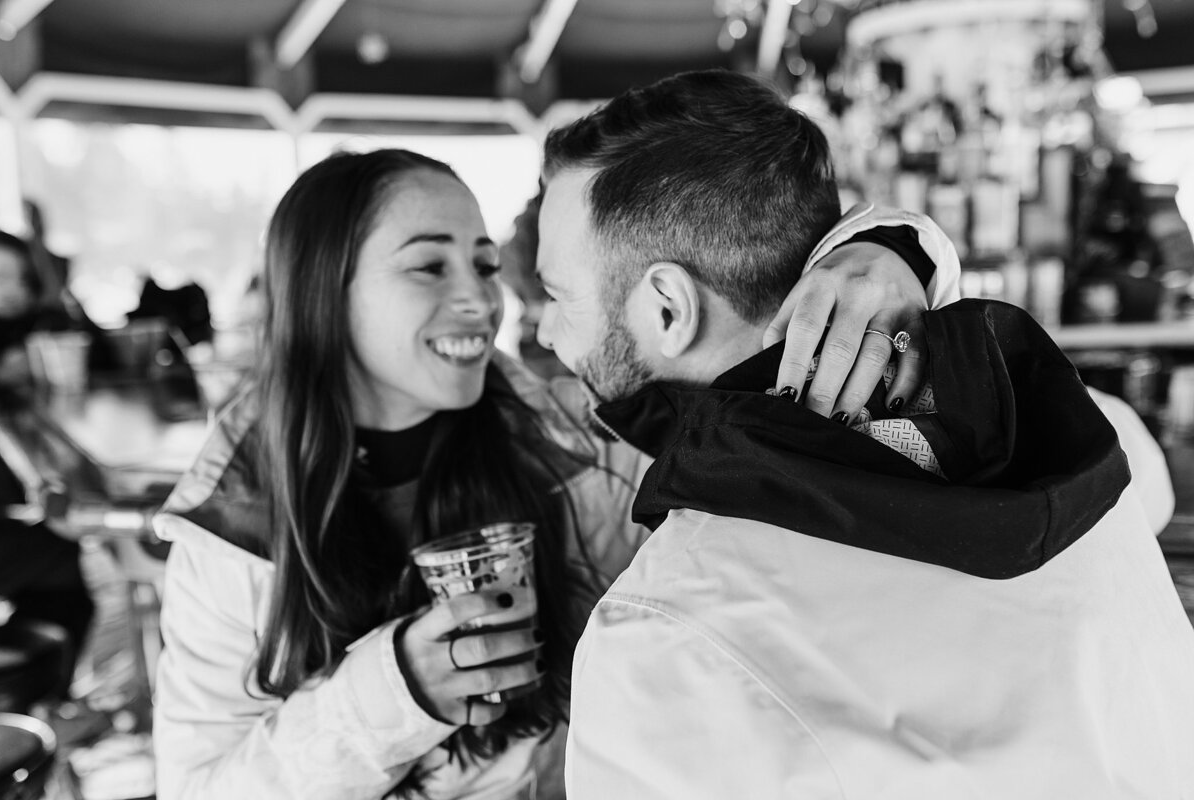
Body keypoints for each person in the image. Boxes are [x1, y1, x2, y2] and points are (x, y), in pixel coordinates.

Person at [150, 147, 960, 800]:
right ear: (323, 296)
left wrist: (890, 250)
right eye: (428, 268)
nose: (482, 301)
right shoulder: (237, 524)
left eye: (483, 266)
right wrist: (398, 692)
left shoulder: (567, 430)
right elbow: (197, 787)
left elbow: (762, 372)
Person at [535, 70, 1194, 798]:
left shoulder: (661, 636)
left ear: (668, 309)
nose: (543, 331)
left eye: (557, 296)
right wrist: (904, 248)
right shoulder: (1067, 431)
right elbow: (1151, 484)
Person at [0, 229, 95, 700]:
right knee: (58, 555)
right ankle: (42, 702)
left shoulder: (33, 329)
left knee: (57, 555)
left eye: (21, 278)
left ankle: (41, 700)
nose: (12, 290)